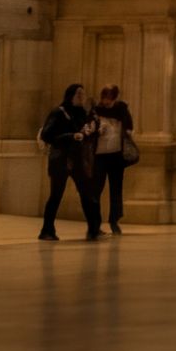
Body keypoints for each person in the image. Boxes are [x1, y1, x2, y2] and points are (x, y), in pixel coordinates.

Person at [35, 84, 101, 242]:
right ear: (70, 95)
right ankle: (47, 230)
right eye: (78, 94)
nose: (81, 97)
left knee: (86, 193)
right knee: (56, 195)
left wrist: (92, 131)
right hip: (61, 160)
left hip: (78, 160)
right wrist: (71, 136)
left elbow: (85, 134)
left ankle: (93, 229)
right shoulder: (59, 112)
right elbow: (47, 135)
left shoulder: (82, 114)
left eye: (83, 94)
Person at [88, 84, 136, 233]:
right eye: (104, 98)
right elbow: (89, 128)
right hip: (100, 155)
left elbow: (129, 127)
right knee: (96, 188)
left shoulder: (122, 109)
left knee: (116, 189)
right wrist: (97, 130)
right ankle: (94, 223)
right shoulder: (96, 110)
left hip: (116, 155)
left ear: (115, 98)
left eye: (109, 98)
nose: (106, 102)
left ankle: (114, 220)